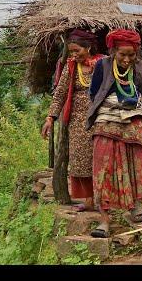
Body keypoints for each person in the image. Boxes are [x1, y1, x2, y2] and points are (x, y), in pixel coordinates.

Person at [86, 29, 142, 238]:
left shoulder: (141, 67)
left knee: (138, 161)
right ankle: (104, 220)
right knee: (103, 167)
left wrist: (134, 108)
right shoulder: (102, 65)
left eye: (131, 55)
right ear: (113, 50)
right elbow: (94, 94)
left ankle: (134, 205)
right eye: (122, 54)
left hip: (133, 118)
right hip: (106, 119)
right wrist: (114, 104)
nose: (126, 59)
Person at [41, 29, 105, 211]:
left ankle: (103, 201)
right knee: (80, 160)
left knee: (100, 158)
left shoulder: (103, 63)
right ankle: (88, 200)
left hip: (100, 117)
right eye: (71, 51)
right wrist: (50, 117)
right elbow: (60, 93)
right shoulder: (70, 66)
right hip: (77, 119)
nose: (74, 54)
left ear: (89, 47)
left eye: (77, 50)